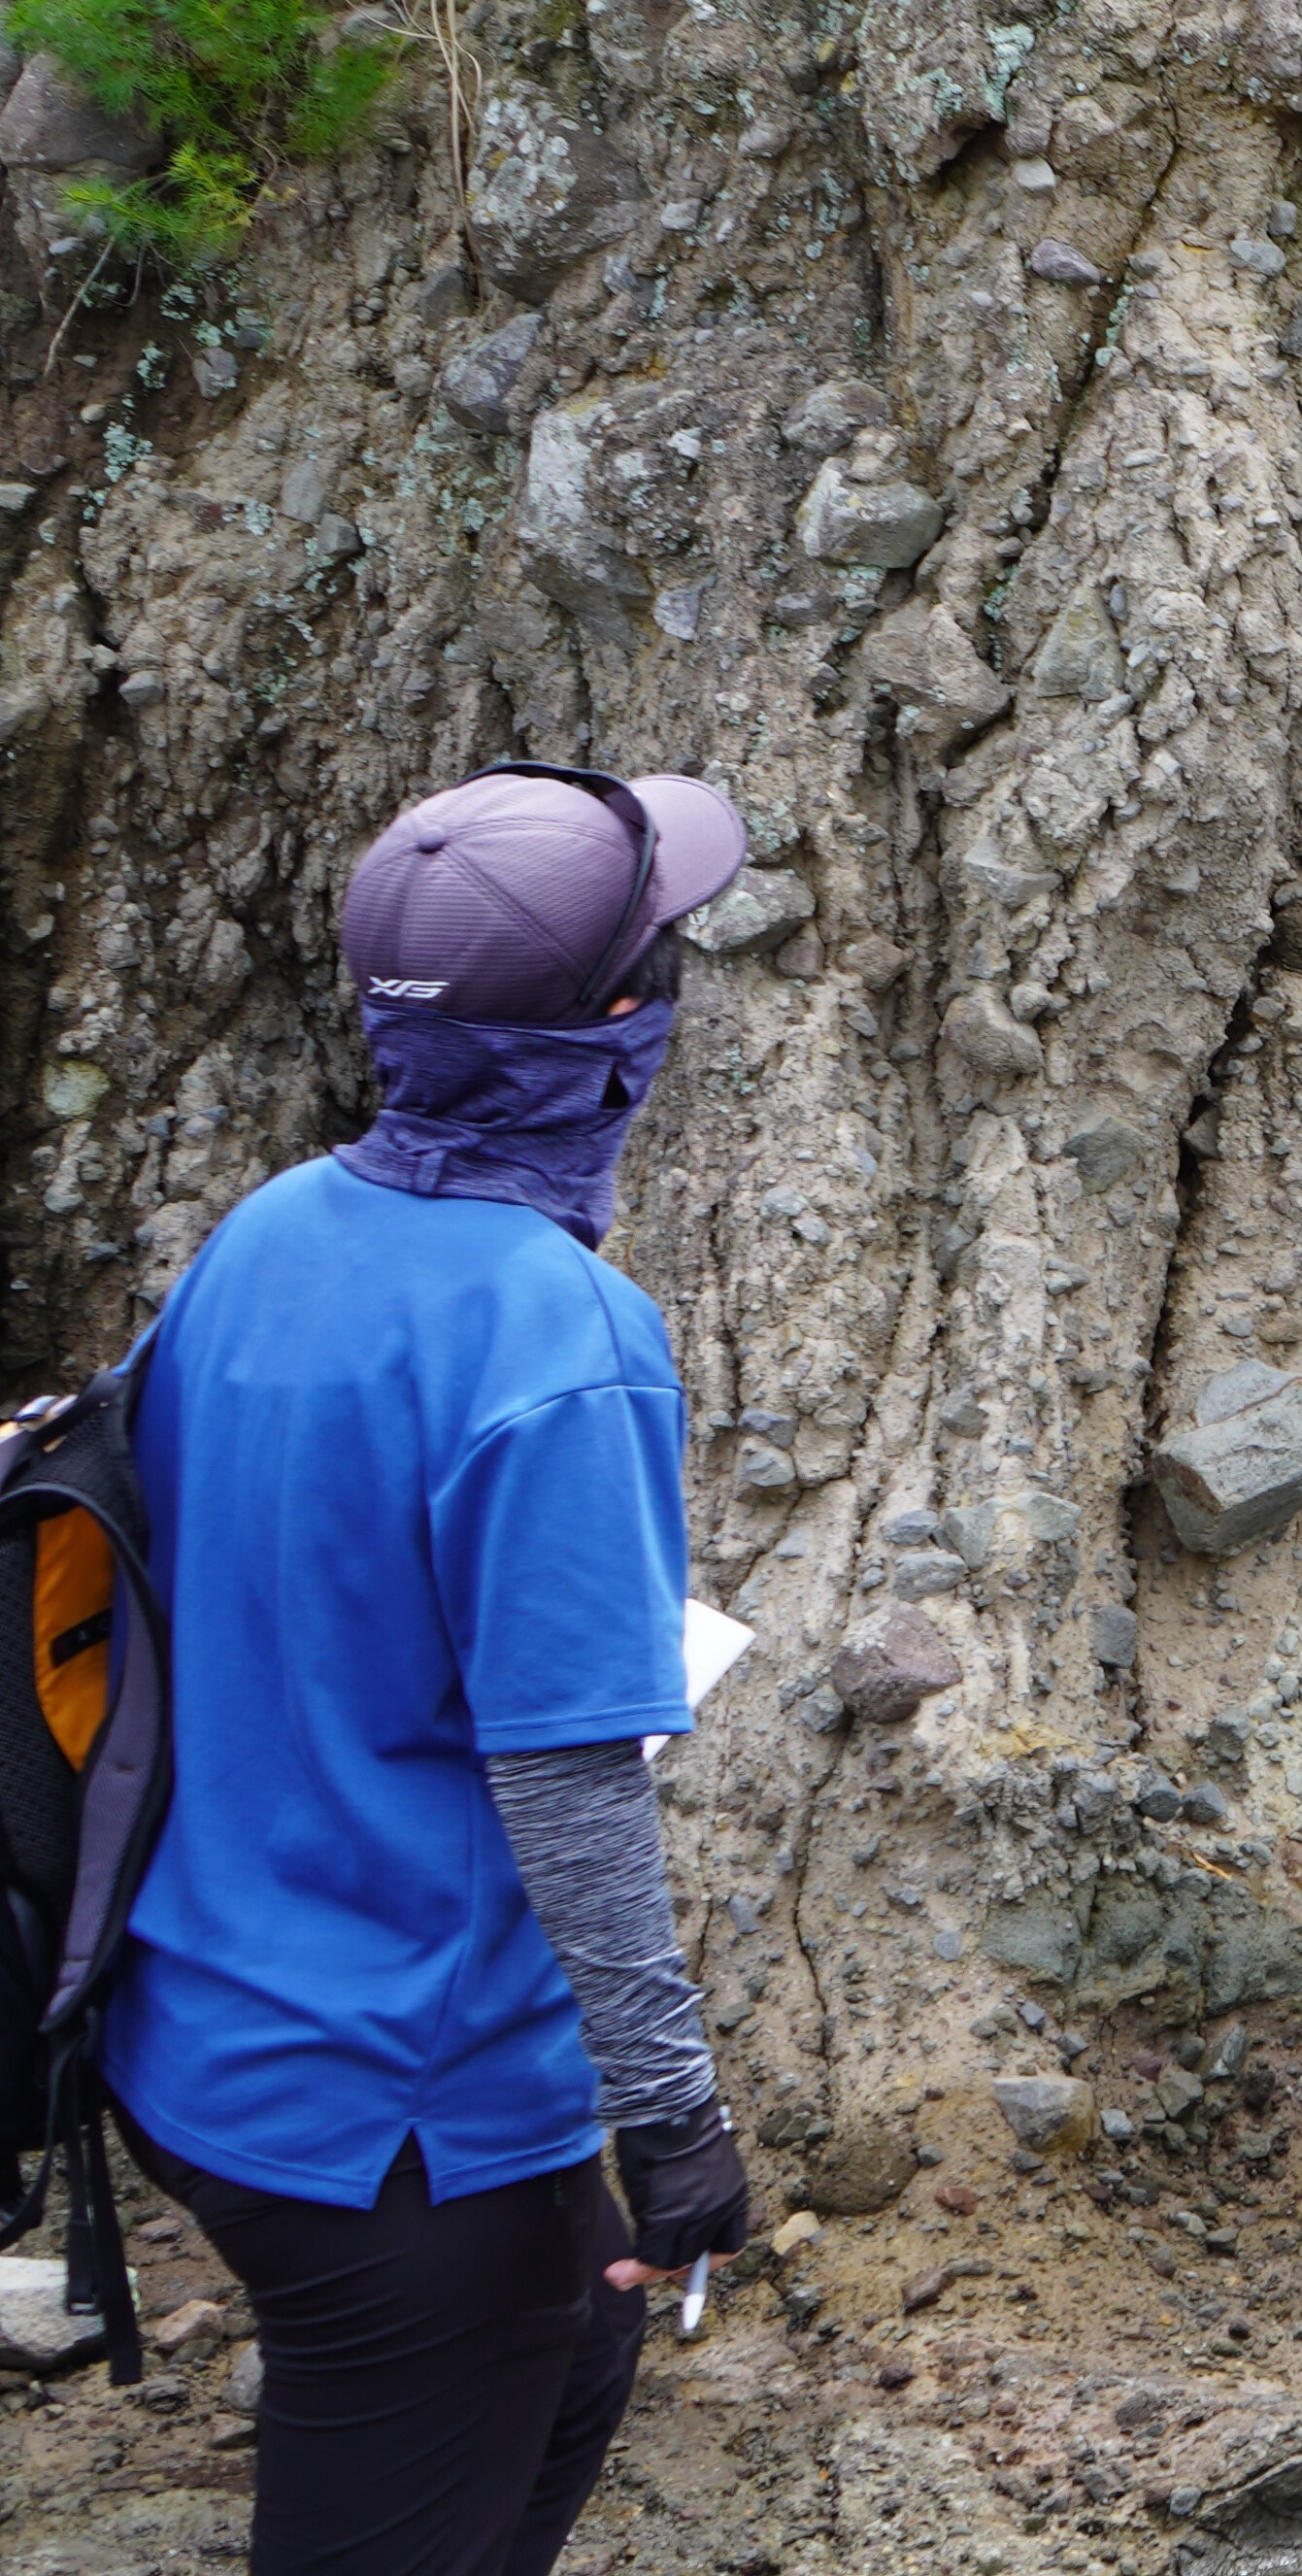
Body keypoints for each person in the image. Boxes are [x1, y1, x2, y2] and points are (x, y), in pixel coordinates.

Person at [106, 761, 758, 2576]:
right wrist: (679, 2116)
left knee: (581, 2324)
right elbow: (563, 1781)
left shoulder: (265, 1234)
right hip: (392, 2103)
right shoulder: (560, 1331)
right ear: (618, 1030)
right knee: (482, 2360)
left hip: (200, 2037)